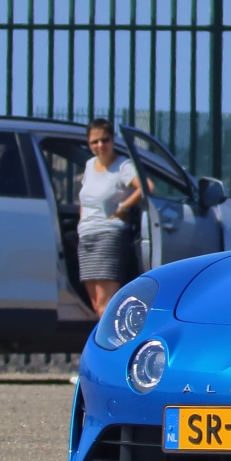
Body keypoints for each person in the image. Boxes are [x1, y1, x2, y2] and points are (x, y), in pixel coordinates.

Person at [77, 118, 145, 314]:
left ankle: (109, 344)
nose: (100, 145)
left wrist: (123, 208)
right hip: (87, 236)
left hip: (109, 236)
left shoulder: (123, 166)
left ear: (113, 140)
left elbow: (145, 187)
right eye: (94, 142)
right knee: (97, 305)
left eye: (105, 140)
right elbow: (84, 198)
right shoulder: (90, 165)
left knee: (105, 305)